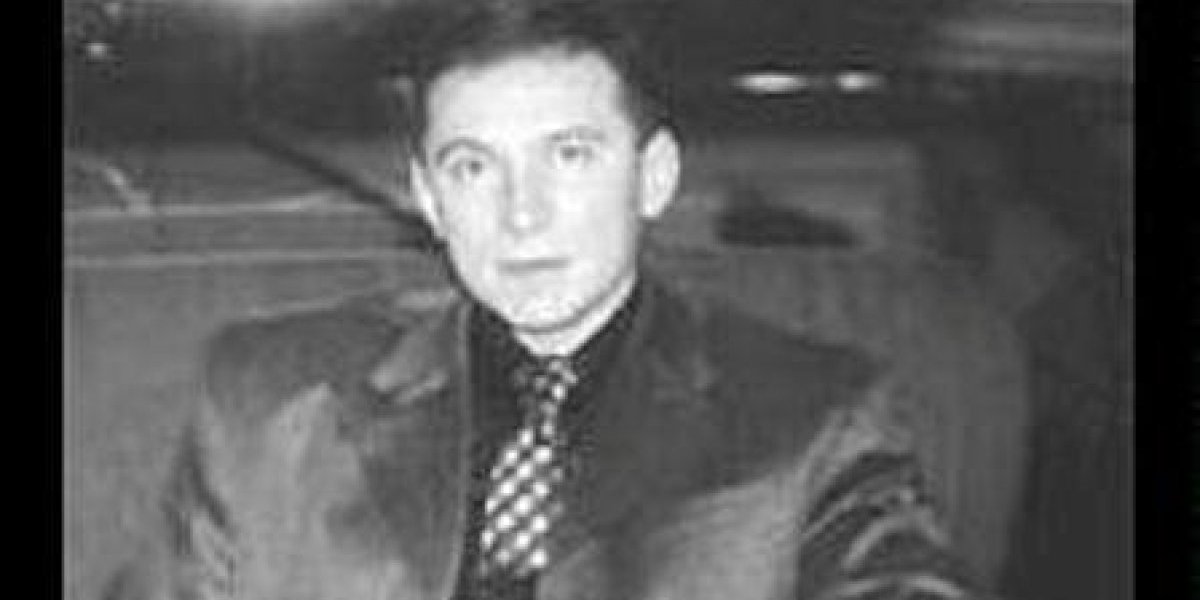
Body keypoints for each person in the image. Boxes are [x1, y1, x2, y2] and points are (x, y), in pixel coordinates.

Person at [107, 1, 991, 598]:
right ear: (428, 197)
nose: (520, 214)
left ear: (653, 176)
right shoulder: (265, 395)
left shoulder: (814, 415)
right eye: (473, 167)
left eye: (568, 156)